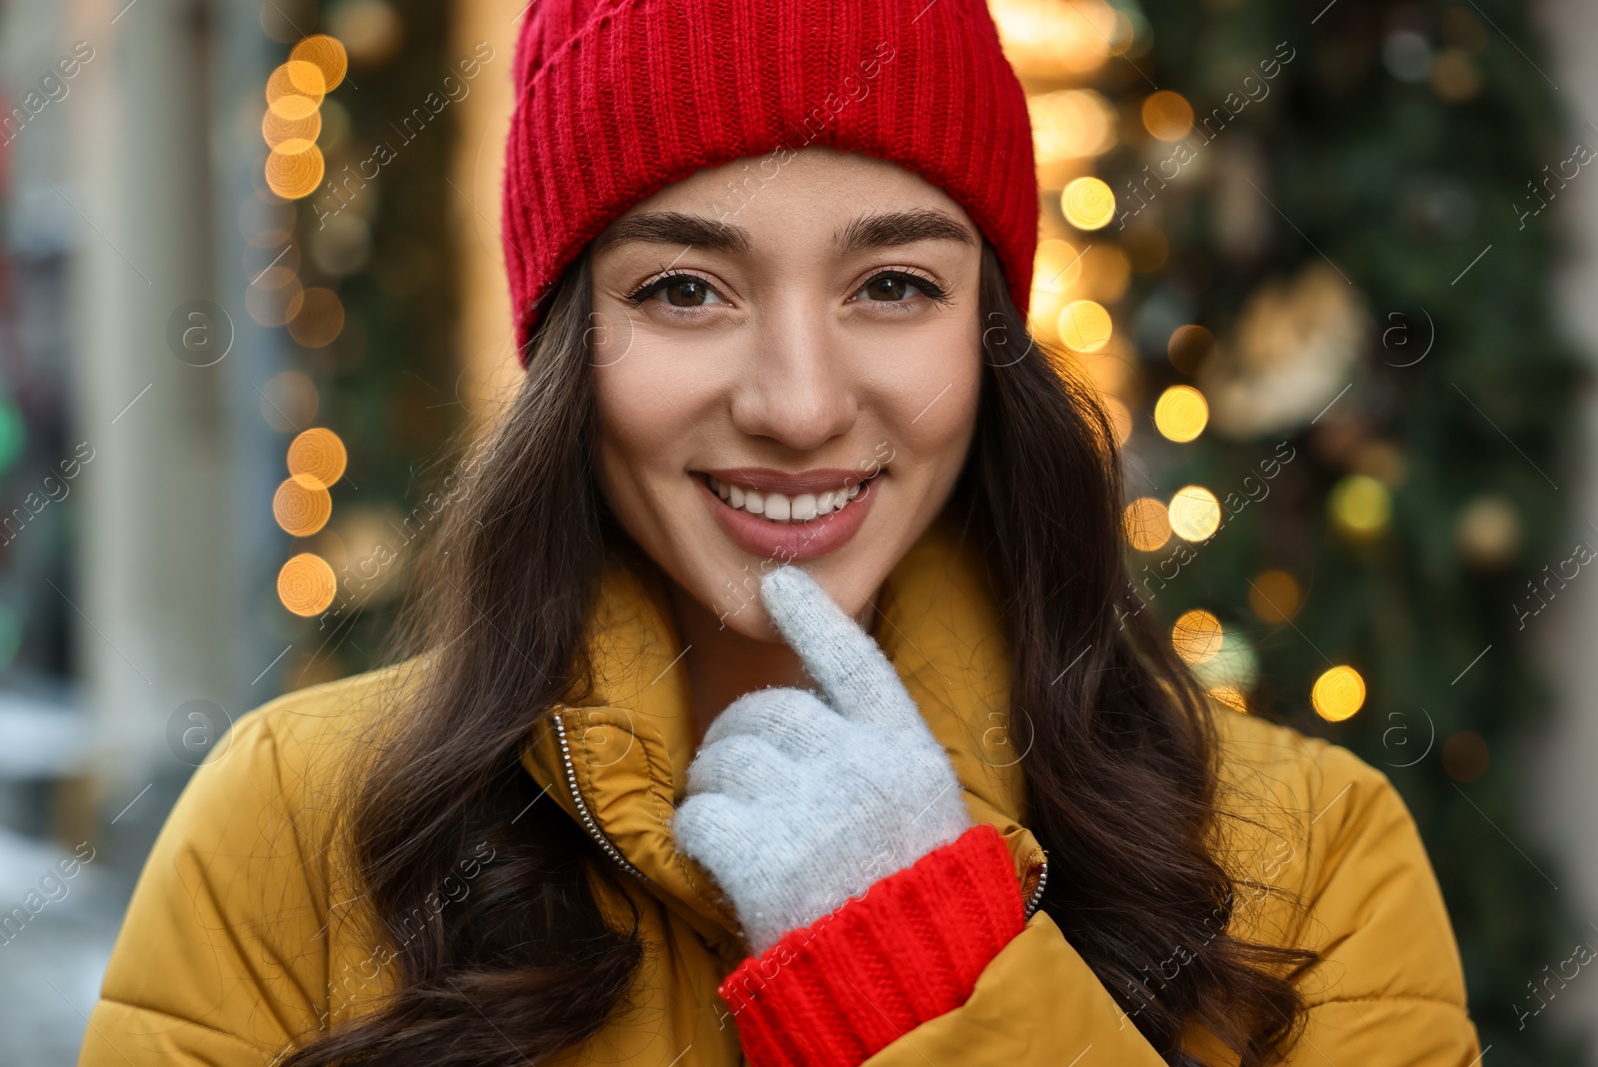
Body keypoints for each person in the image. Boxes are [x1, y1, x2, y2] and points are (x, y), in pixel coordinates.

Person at [78, 1, 1483, 1064]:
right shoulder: (296, 832)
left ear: (987, 333)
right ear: (571, 347)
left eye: (892, 285)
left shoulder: (1311, 853)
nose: (801, 405)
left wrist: (924, 978)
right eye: (687, 289)